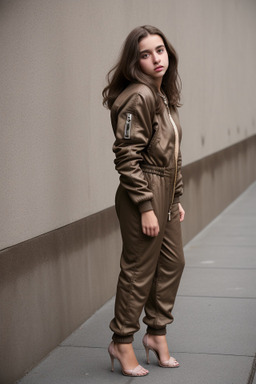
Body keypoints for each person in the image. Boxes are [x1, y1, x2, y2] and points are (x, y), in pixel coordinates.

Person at [102, 25, 185, 377]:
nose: (156, 58)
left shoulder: (161, 95)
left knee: (172, 263)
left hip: (163, 192)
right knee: (139, 272)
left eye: (160, 50)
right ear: (135, 62)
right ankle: (121, 342)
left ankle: (156, 334)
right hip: (143, 192)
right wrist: (147, 205)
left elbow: (172, 154)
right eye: (146, 53)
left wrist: (175, 197)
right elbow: (127, 156)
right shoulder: (140, 96)